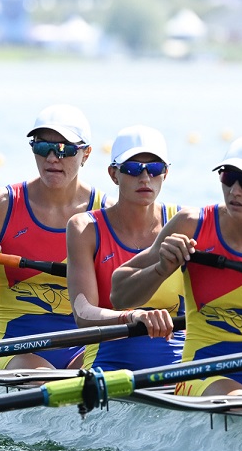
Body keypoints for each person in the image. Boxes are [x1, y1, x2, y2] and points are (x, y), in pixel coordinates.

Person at [111, 135, 242, 408]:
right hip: (204, 370)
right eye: (228, 177)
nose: (235, 190)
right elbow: (119, 293)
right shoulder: (191, 225)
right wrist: (162, 268)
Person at [0, 104, 104, 369]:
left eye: (64, 149)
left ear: (86, 154)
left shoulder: (103, 212)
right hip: (13, 349)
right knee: (43, 379)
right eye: (42, 147)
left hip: (84, 350)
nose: (52, 158)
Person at [66, 125, 181, 370]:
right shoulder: (85, 228)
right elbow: (83, 313)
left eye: (154, 168)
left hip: (180, 363)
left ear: (166, 173)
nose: (145, 178)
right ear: (113, 174)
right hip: (109, 362)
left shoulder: (183, 223)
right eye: (132, 168)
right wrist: (132, 316)